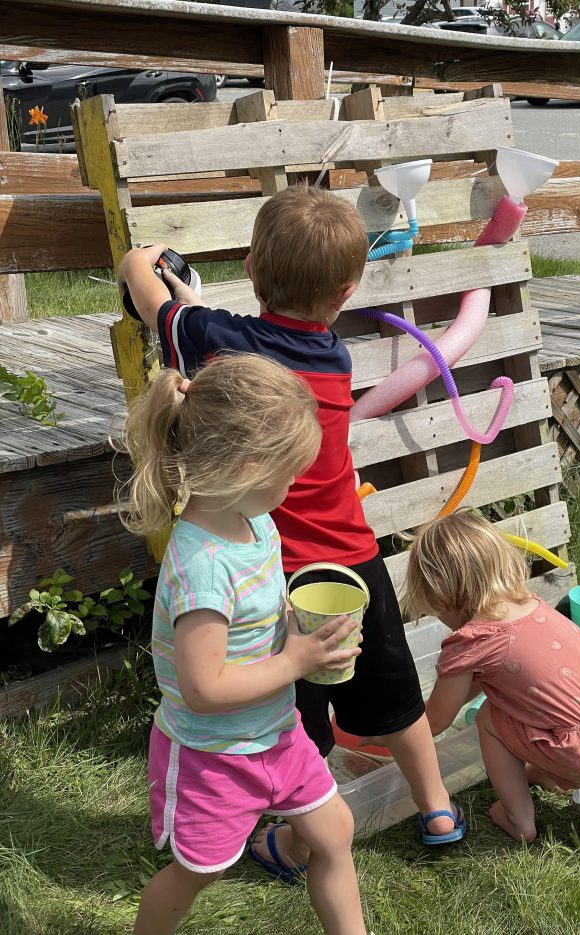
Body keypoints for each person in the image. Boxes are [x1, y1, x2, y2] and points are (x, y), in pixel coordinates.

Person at [117, 184, 464, 875]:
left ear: (251, 267)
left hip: (274, 571)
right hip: (353, 557)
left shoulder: (211, 339)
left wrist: (147, 265)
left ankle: (283, 830)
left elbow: (149, 290)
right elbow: (247, 330)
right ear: (343, 293)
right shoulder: (333, 356)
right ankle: (436, 807)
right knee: (391, 693)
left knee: (290, 711)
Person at [118, 354, 368, 935]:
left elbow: (253, 617)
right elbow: (203, 689)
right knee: (195, 874)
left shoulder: (256, 525)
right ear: (244, 467)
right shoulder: (201, 566)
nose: (293, 486)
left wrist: (296, 626)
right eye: (288, 474)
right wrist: (295, 660)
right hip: (214, 756)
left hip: (276, 733)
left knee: (335, 832)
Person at [402, 511, 580, 843]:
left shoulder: (472, 641)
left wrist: (391, 735)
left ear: (444, 595)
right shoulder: (532, 605)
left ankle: (518, 819)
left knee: (490, 717)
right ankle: (547, 773)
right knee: (531, 703)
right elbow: (501, 681)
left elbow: (434, 722)